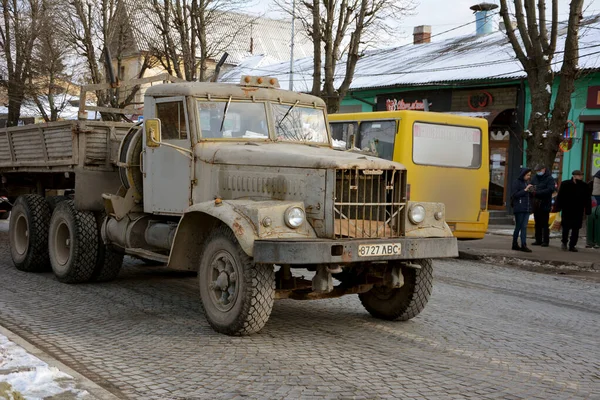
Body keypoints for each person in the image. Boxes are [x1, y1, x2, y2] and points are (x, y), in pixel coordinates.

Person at [555, 170, 592, 252]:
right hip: (567, 209)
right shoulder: (566, 184)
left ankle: (572, 245)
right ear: (574, 176)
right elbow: (560, 196)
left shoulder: (584, 186)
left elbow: (587, 199)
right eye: (579, 175)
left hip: (578, 210)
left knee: (576, 228)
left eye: (582, 175)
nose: (581, 177)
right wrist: (558, 207)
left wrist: (588, 210)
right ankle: (564, 242)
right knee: (566, 227)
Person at [530, 165, 556, 246]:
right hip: (536, 203)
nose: (538, 172)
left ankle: (545, 241)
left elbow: (550, 190)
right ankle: (538, 240)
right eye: (537, 170)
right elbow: (531, 186)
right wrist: (532, 191)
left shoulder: (549, 178)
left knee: (544, 223)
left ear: (544, 169)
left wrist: (537, 192)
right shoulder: (535, 177)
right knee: (537, 223)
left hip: (545, 203)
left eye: (539, 170)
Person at [511, 168, 534, 252]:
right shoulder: (517, 182)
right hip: (519, 208)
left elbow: (529, 196)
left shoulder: (526, 182)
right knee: (518, 227)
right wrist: (525, 190)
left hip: (526, 208)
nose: (528, 177)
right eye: (527, 175)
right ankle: (514, 243)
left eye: (529, 175)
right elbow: (515, 195)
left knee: (524, 227)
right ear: (523, 174)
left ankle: (523, 244)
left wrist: (532, 191)